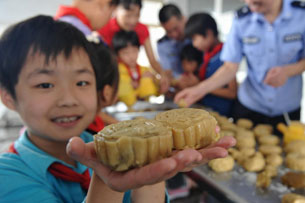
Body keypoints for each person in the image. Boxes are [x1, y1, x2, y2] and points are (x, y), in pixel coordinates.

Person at [0, 15, 236, 202]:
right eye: (45, 84)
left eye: (82, 82)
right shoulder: (7, 176)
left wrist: (152, 163)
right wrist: (108, 181)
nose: (68, 99)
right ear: (8, 96)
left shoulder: (105, 145)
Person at [175, 0, 305, 132]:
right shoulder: (241, 19)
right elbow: (230, 67)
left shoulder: (301, 14)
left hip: (287, 110)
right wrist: (199, 89)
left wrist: (288, 71)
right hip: (250, 107)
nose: (249, 2)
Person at [98, 0, 170, 93]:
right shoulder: (104, 28)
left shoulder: (142, 29)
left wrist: (162, 75)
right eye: (128, 15)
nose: (132, 21)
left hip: (134, 77)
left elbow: (152, 59)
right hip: (113, 77)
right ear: (115, 10)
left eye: (137, 15)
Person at [183, 13, 237, 117]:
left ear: (208, 34)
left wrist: (199, 86)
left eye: (195, 39)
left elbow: (232, 93)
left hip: (221, 114)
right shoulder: (206, 55)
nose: (194, 44)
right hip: (207, 110)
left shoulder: (227, 55)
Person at [112, 30, 158, 107]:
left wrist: (154, 80)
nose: (131, 56)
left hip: (143, 108)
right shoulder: (117, 71)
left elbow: (157, 92)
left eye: (134, 51)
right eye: (126, 53)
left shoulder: (144, 70)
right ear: (117, 54)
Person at [157, 4, 191, 79]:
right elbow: (167, 72)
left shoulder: (197, 38)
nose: (174, 35)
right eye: (168, 31)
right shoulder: (162, 45)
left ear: (183, 19)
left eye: (176, 28)